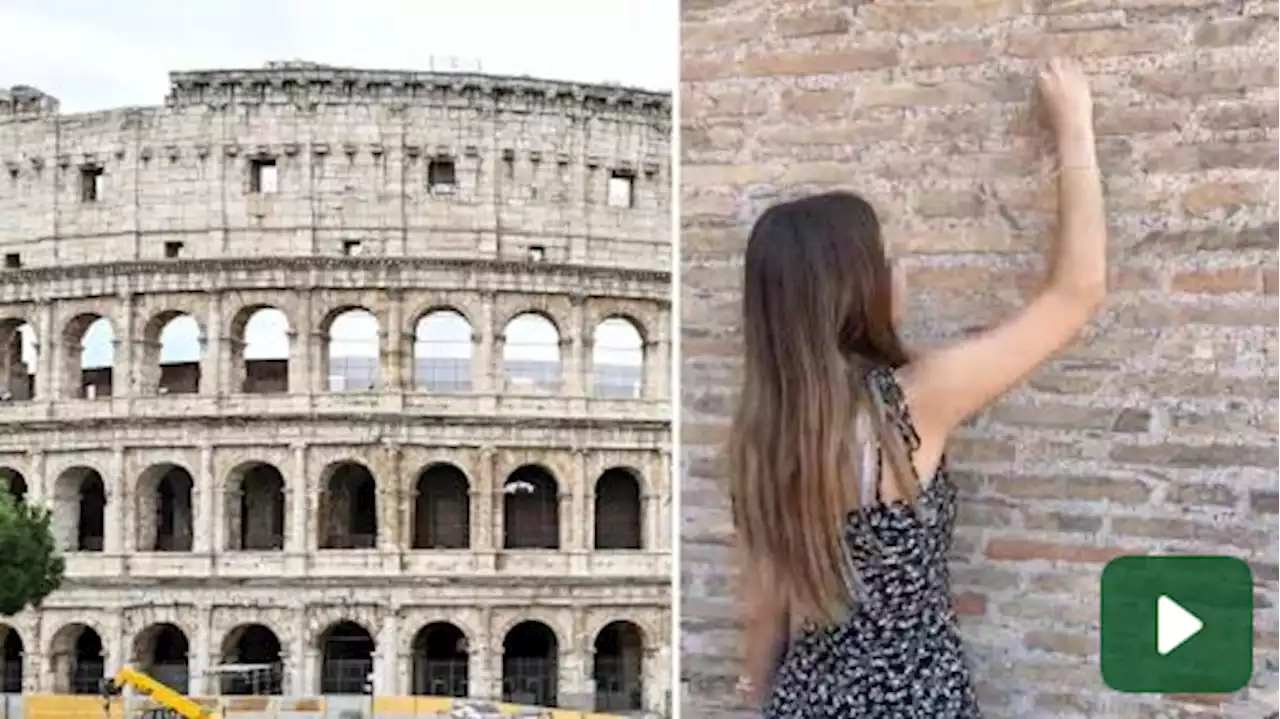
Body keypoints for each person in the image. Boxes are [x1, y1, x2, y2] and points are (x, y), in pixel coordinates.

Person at [726, 57, 1107, 718]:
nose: (897, 272)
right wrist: (1074, 128)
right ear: (853, 286)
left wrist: (758, 699)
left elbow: (763, 614)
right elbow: (1076, 292)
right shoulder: (908, 405)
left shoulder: (760, 438)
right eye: (886, 260)